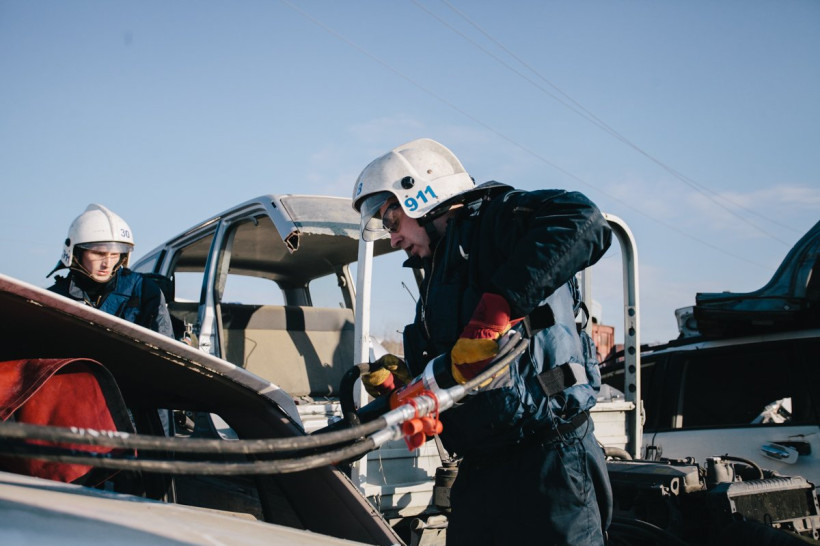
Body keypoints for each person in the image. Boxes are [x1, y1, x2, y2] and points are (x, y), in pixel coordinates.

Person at [352, 138, 614, 545]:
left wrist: (497, 310)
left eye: (391, 222)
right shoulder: (439, 272)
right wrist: (407, 388)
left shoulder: (497, 220)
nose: (393, 239)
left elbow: (583, 220)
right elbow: (459, 367)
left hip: (550, 462)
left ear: (420, 195)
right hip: (482, 471)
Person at [47, 203, 174, 338]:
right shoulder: (52, 298)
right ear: (76, 253)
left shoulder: (145, 291)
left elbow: (165, 344)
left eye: (114, 254)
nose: (107, 264)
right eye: (98, 253)